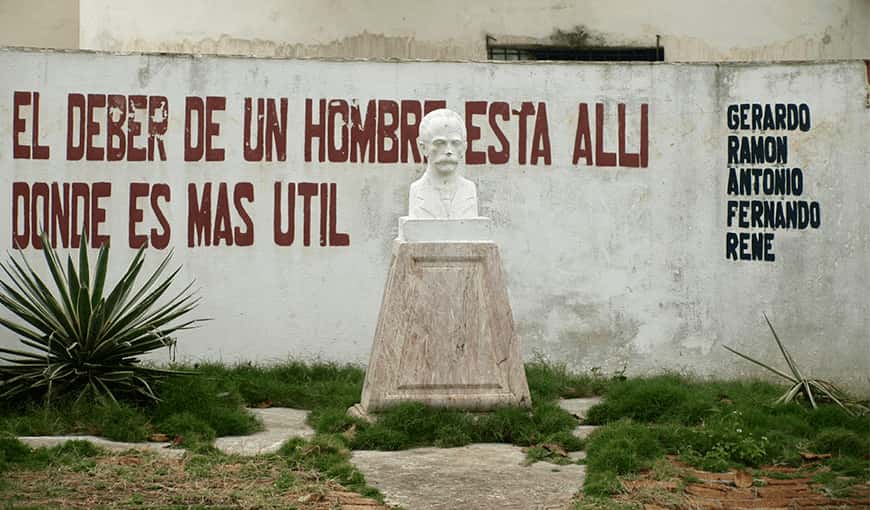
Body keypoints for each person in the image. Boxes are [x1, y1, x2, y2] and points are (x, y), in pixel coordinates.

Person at [408, 109, 478, 219]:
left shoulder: (469, 189)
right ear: (423, 148)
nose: (448, 150)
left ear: (464, 148)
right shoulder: (417, 190)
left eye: (455, 143)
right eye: (440, 143)